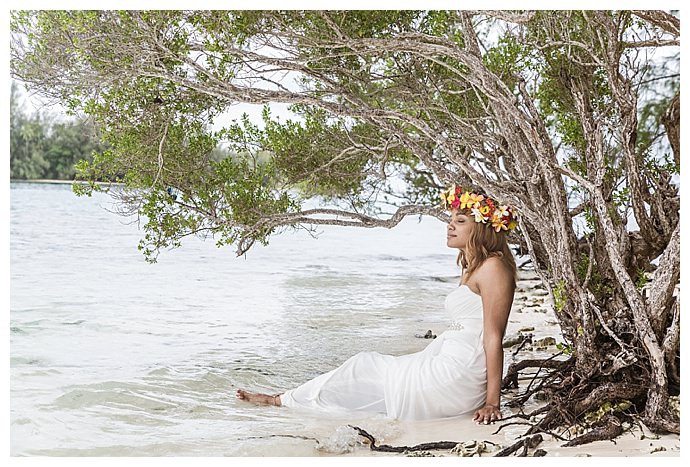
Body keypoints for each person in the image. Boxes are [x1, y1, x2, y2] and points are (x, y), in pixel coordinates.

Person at [237, 184, 517, 425]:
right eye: (450, 219)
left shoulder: (494, 268)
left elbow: (493, 336)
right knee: (366, 370)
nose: (449, 225)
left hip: (459, 372)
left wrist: (492, 401)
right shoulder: (473, 264)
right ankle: (287, 398)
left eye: (460, 221)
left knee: (364, 367)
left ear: (480, 227)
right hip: (450, 358)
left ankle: (280, 401)